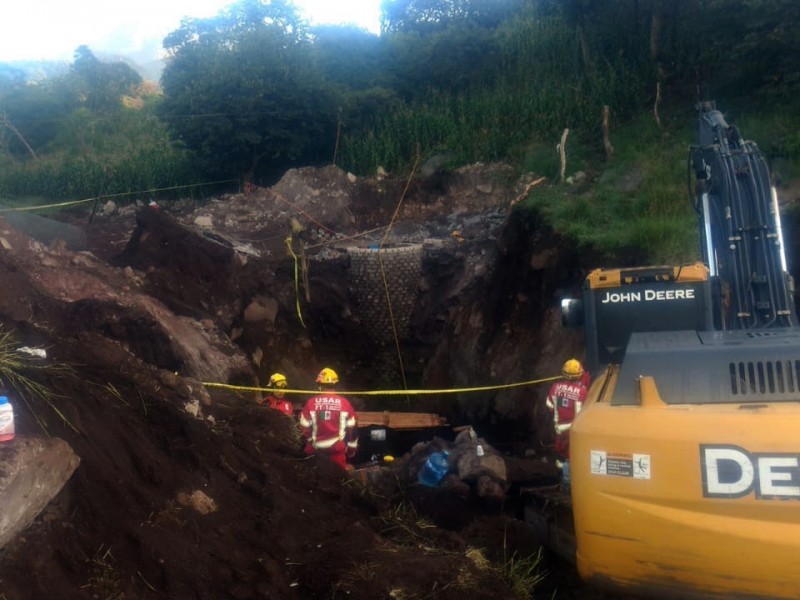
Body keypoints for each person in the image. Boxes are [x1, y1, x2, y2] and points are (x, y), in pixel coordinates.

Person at [299, 368, 358, 469]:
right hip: (337, 454)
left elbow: (303, 427)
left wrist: (310, 442)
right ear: (335, 384)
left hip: (316, 454)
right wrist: (351, 450)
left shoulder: (311, 403)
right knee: (338, 482)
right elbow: (353, 429)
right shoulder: (344, 403)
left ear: (319, 385)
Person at [546, 358, 588, 468]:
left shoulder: (555, 387)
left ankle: (562, 471)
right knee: (573, 455)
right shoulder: (583, 392)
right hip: (574, 429)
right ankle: (568, 477)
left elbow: (549, 406)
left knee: (561, 453)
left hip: (559, 428)